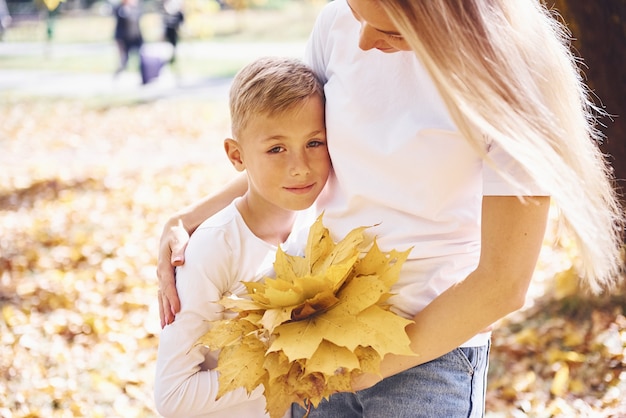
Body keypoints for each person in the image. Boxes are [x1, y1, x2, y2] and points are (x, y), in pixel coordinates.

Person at [156, 0, 625, 416]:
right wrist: (186, 220)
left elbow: (502, 283)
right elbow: (290, 154)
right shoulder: (338, 25)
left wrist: (365, 369)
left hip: (430, 354)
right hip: (318, 327)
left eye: (388, 28)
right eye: (357, 14)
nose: (362, 38)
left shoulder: (516, 73)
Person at [153, 56, 330, 417]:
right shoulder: (212, 249)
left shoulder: (318, 225)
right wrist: (284, 371)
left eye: (314, 143)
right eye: (276, 149)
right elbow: (172, 395)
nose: (299, 166)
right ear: (237, 155)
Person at [113, 0, 144, 76]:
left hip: (135, 37)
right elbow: (121, 15)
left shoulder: (135, 8)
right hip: (124, 39)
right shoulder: (121, 9)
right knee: (124, 60)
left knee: (141, 57)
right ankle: (117, 75)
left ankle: (144, 77)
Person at [162, 0, 184, 64]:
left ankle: (173, 58)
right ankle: (169, 58)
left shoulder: (176, 4)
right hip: (169, 28)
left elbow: (180, 17)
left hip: (174, 28)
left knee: (174, 44)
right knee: (168, 45)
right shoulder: (167, 5)